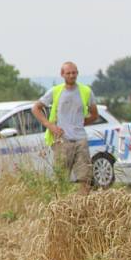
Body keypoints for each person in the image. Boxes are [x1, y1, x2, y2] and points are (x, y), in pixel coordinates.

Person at [31, 61, 99, 194]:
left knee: (85, 177)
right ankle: (62, 206)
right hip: (62, 140)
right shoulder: (56, 91)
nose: (72, 75)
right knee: (61, 178)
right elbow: (36, 108)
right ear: (62, 74)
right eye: (68, 73)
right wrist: (50, 126)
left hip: (80, 139)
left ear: (77, 73)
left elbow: (95, 114)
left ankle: (81, 206)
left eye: (74, 73)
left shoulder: (86, 91)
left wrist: (80, 123)